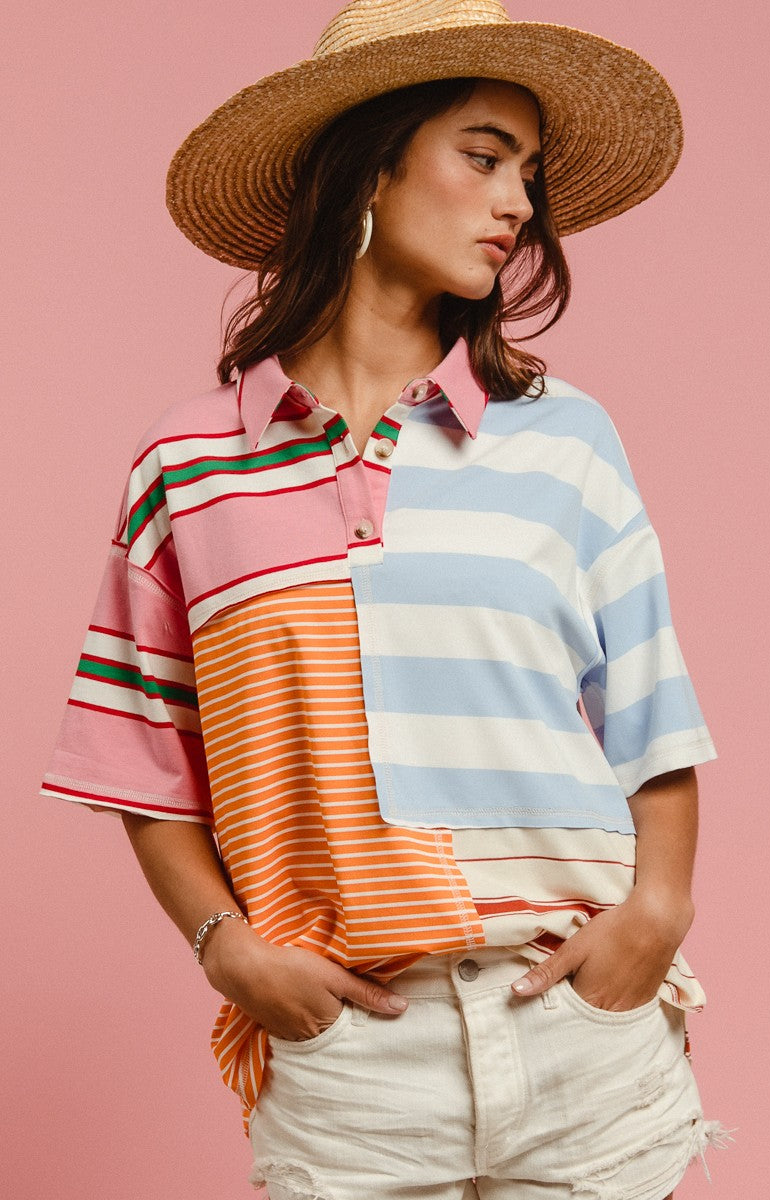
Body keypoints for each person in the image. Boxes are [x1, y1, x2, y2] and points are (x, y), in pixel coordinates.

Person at [41, 2, 730, 1197]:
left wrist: (654, 917)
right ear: (369, 167)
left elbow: (650, 715)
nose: (517, 205)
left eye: (529, 174)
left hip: (579, 1032)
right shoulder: (189, 465)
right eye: (483, 157)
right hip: (351, 1065)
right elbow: (142, 755)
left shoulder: (563, 437)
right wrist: (228, 951)